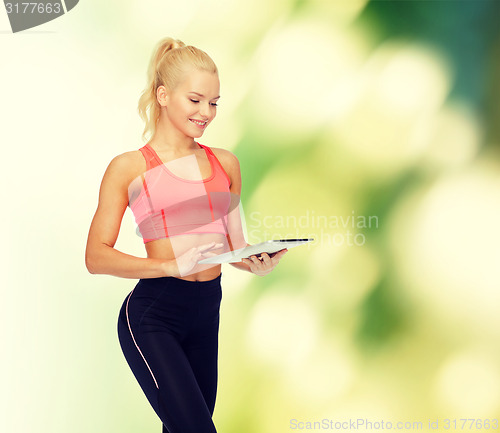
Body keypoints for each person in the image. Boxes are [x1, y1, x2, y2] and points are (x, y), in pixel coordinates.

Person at [85, 37, 288, 433]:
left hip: (206, 310)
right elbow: (95, 256)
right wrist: (166, 264)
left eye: (213, 102)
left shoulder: (225, 163)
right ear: (163, 95)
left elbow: (234, 247)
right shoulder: (129, 168)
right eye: (195, 100)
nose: (206, 112)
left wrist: (255, 261)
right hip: (154, 313)